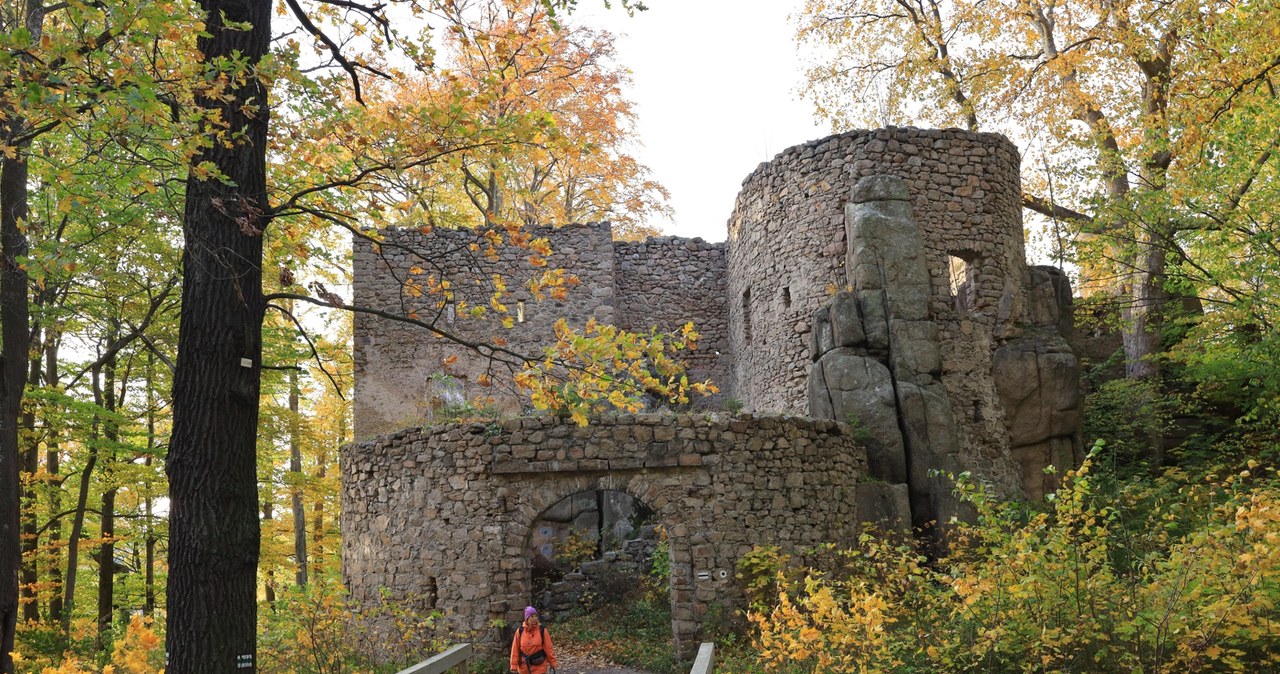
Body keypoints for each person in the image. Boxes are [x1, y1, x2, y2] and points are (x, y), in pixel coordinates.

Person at [509, 605, 558, 674]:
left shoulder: (542, 631)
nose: (534, 619)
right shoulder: (520, 631)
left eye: (536, 616)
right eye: (532, 617)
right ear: (527, 619)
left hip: (539, 667)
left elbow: (548, 648)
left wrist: (553, 662)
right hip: (524, 668)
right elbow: (515, 649)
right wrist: (513, 665)